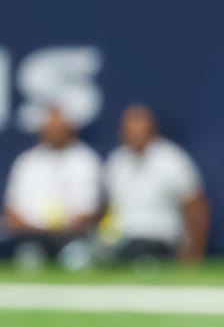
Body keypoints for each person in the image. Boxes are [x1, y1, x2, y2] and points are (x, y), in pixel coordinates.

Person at [102, 104, 207, 264]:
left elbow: (196, 207)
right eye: (130, 132)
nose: (135, 137)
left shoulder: (172, 160)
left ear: (152, 131)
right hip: (121, 242)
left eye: (140, 131)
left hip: (161, 243)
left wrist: (193, 254)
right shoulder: (117, 161)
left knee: (140, 251)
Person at [2, 106, 104, 270]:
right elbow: (11, 210)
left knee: (77, 257)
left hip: (70, 237)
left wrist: (59, 231)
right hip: (31, 236)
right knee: (28, 254)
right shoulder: (27, 162)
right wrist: (36, 231)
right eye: (51, 129)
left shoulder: (86, 161)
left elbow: (90, 211)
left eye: (60, 129)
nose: (55, 134)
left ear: (70, 130)